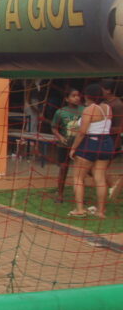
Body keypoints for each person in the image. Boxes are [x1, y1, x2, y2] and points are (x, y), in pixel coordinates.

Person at [68, 83, 117, 219]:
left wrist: (73, 148)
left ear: (87, 96)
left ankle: (79, 209)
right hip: (106, 143)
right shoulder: (107, 107)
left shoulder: (89, 109)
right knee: (100, 178)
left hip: (90, 143)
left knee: (78, 177)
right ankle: (100, 211)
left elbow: (82, 132)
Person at [51, 87, 83, 203]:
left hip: (80, 145)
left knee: (82, 171)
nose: (76, 98)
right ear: (66, 99)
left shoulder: (84, 110)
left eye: (78, 95)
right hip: (64, 145)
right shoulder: (60, 112)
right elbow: (54, 128)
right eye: (73, 96)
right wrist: (60, 137)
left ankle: (79, 196)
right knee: (63, 169)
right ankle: (60, 194)